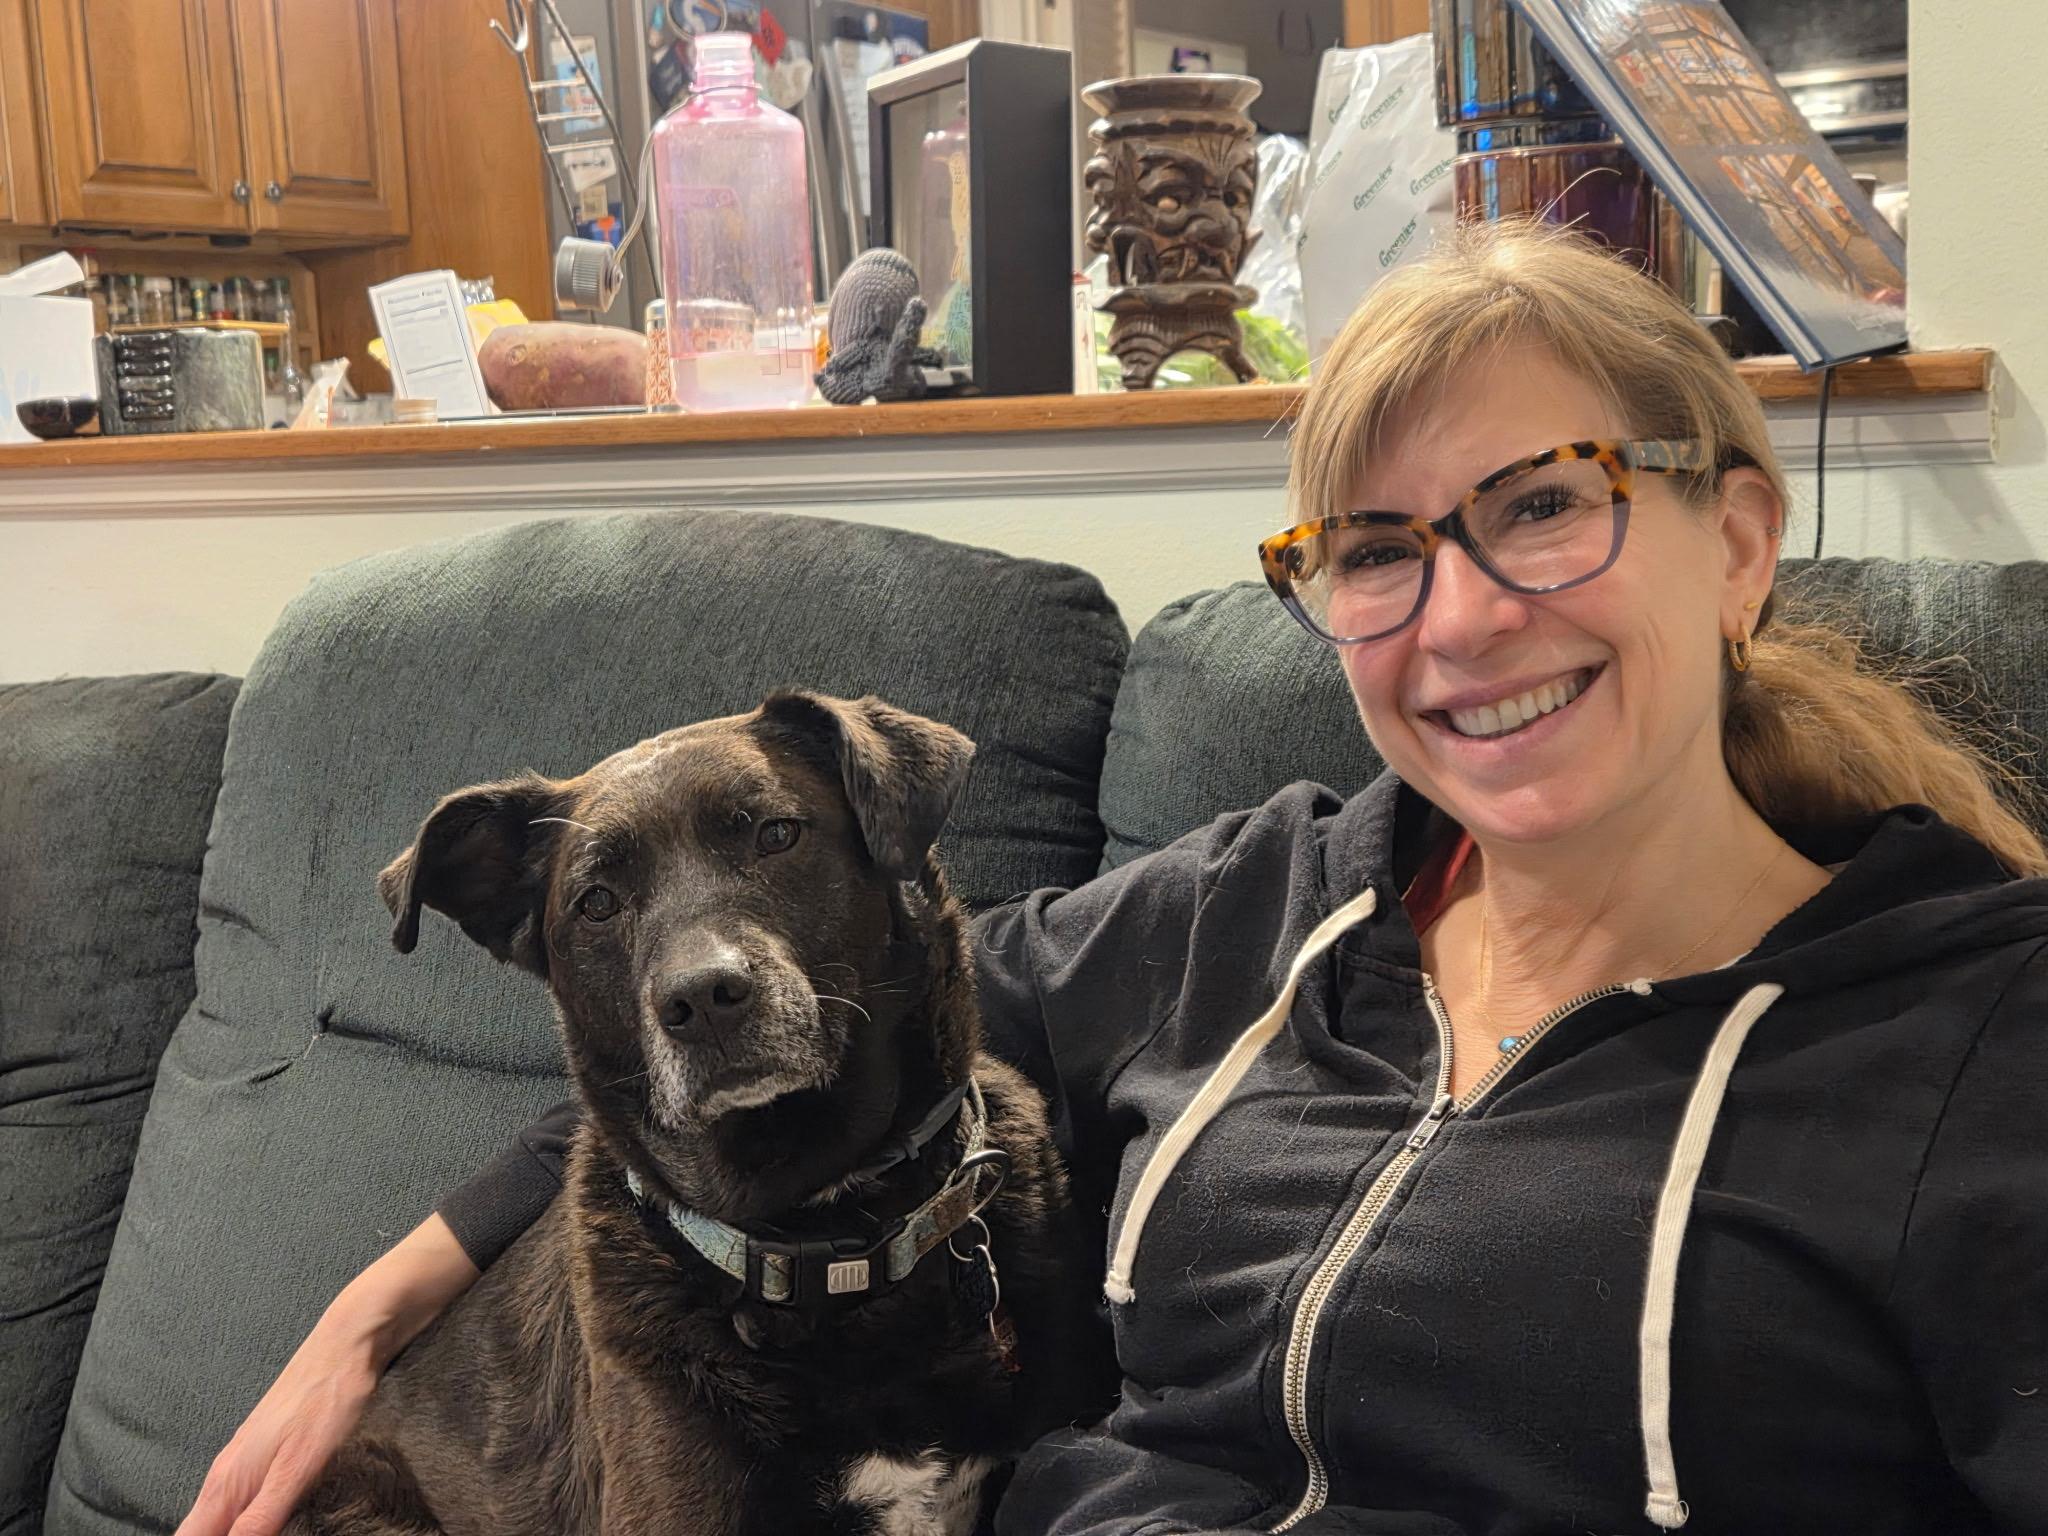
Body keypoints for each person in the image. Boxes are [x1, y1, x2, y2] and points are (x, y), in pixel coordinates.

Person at [180, 221, 2048, 1536]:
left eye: (1545, 503)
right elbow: (785, 1016)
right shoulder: (1256, 905)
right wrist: (380, 1307)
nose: (1464, 618)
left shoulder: (1970, 1043)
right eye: (1377, 550)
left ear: (1738, 545)